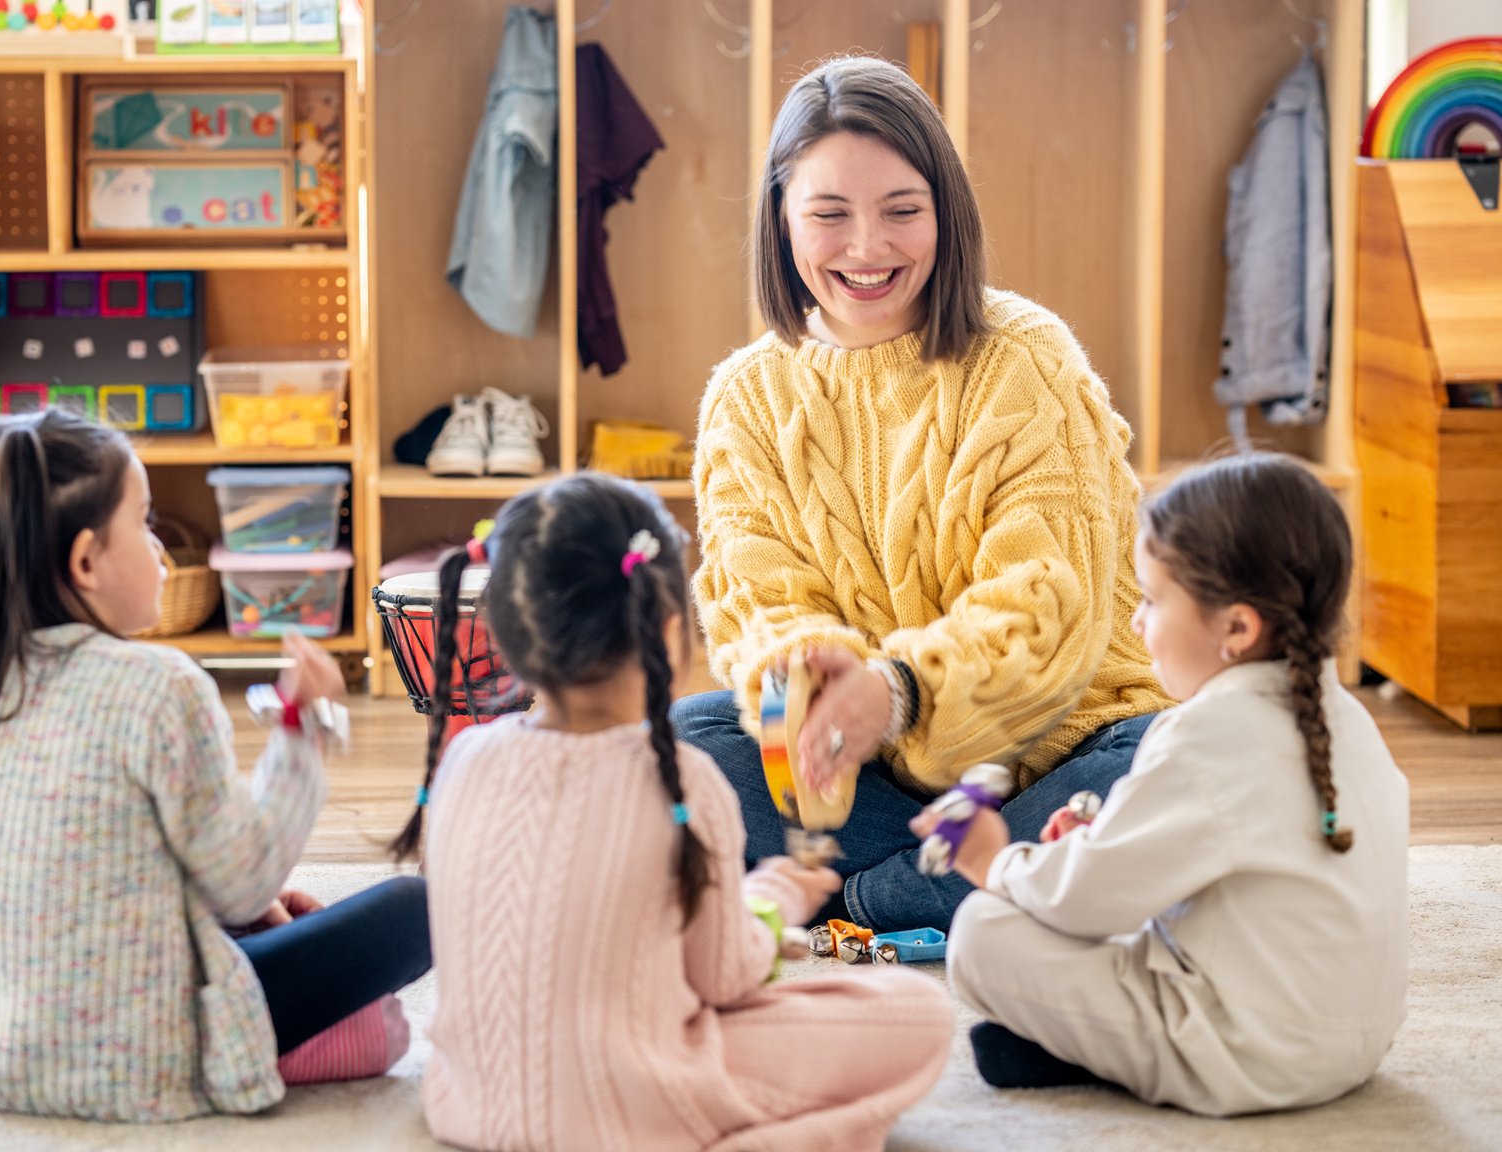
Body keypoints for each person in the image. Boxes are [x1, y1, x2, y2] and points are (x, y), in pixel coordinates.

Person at [675, 54, 1170, 933]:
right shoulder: (744, 398)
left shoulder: (1024, 357)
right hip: (884, 783)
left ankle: (864, 901)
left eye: (902, 211)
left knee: (1168, 773)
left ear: (945, 211)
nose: (868, 249)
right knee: (676, 750)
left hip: (1075, 744)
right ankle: (973, 892)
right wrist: (812, 683)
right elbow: (760, 613)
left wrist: (898, 687)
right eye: (829, 215)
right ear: (781, 221)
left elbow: (1048, 612)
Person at [392, 472, 954, 1151]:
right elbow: (723, 977)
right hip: (638, 1106)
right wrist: (772, 898)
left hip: (467, 1104)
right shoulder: (683, 780)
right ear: (666, 631)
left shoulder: (464, 761)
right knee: (917, 1014)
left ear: (507, 637)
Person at [0, 411, 431, 1122]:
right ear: (87, 562)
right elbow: (243, 875)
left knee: (271, 916)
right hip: (141, 1052)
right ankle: (288, 1047)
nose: (159, 545)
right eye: (144, 519)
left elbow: (129, 865)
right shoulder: (158, 683)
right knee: (412, 910)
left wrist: (251, 914)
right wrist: (300, 725)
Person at [927, 454, 1408, 1116]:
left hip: (1247, 1057)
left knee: (982, 928)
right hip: (1354, 1045)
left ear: (1237, 628)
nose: (1135, 624)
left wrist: (993, 861)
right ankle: (1090, 1044)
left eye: (1151, 601)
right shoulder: (1349, 720)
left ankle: (1100, 1055)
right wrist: (1104, 843)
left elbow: (1088, 904)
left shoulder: (1206, 734)